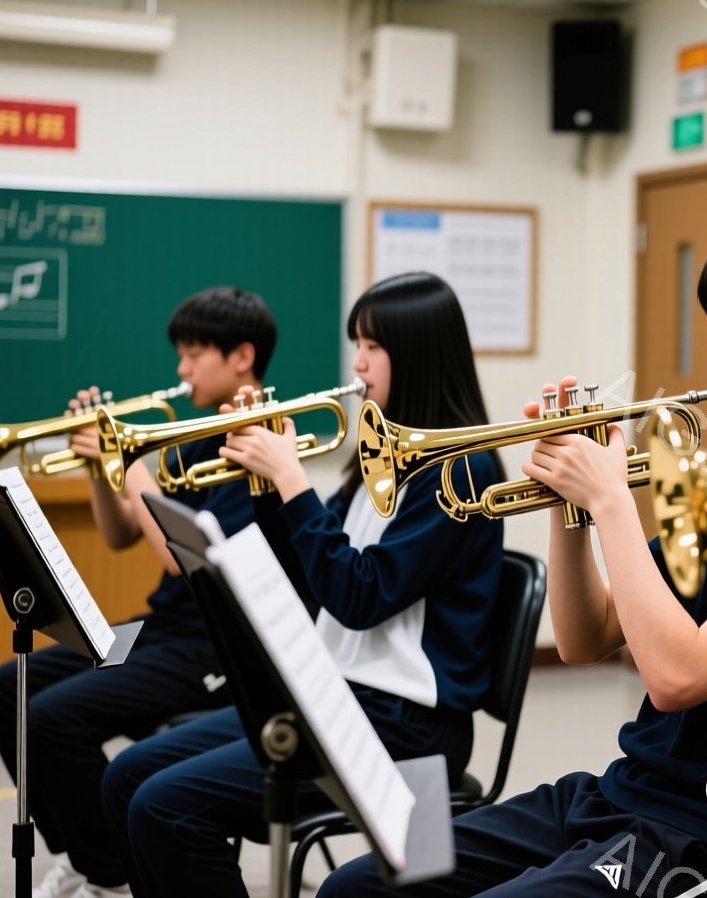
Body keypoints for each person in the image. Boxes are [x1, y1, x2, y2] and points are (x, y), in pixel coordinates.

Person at [317, 207, 707, 898]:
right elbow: (583, 638)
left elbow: (676, 678)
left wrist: (611, 503)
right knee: (362, 883)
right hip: (624, 794)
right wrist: (570, 510)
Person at [98, 272, 504, 898]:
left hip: (405, 722)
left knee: (163, 807)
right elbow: (310, 580)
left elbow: (359, 597)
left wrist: (293, 482)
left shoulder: (460, 470)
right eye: (356, 344)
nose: (357, 362)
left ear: (418, 353)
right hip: (333, 694)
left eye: (372, 346)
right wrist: (266, 486)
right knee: (127, 776)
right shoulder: (380, 453)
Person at [0, 286, 277, 898]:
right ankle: (92, 854)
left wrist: (131, 463)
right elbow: (118, 535)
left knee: (52, 718)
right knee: (6, 687)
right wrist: (99, 469)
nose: (181, 369)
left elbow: (180, 560)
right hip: (163, 628)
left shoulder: (251, 443)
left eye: (194, 355)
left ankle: (107, 870)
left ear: (242, 356)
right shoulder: (195, 432)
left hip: (213, 648)